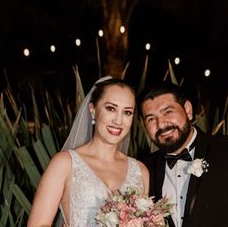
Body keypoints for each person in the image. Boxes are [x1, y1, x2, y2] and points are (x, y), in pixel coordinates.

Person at [139, 82, 228, 227]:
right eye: (151, 119)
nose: (161, 124)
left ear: (188, 110)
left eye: (168, 111)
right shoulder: (144, 169)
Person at [27, 77, 150, 227]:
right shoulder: (65, 163)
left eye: (127, 112)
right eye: (111, 108)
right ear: (92, 110)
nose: (118, 120)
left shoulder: (140, 171)